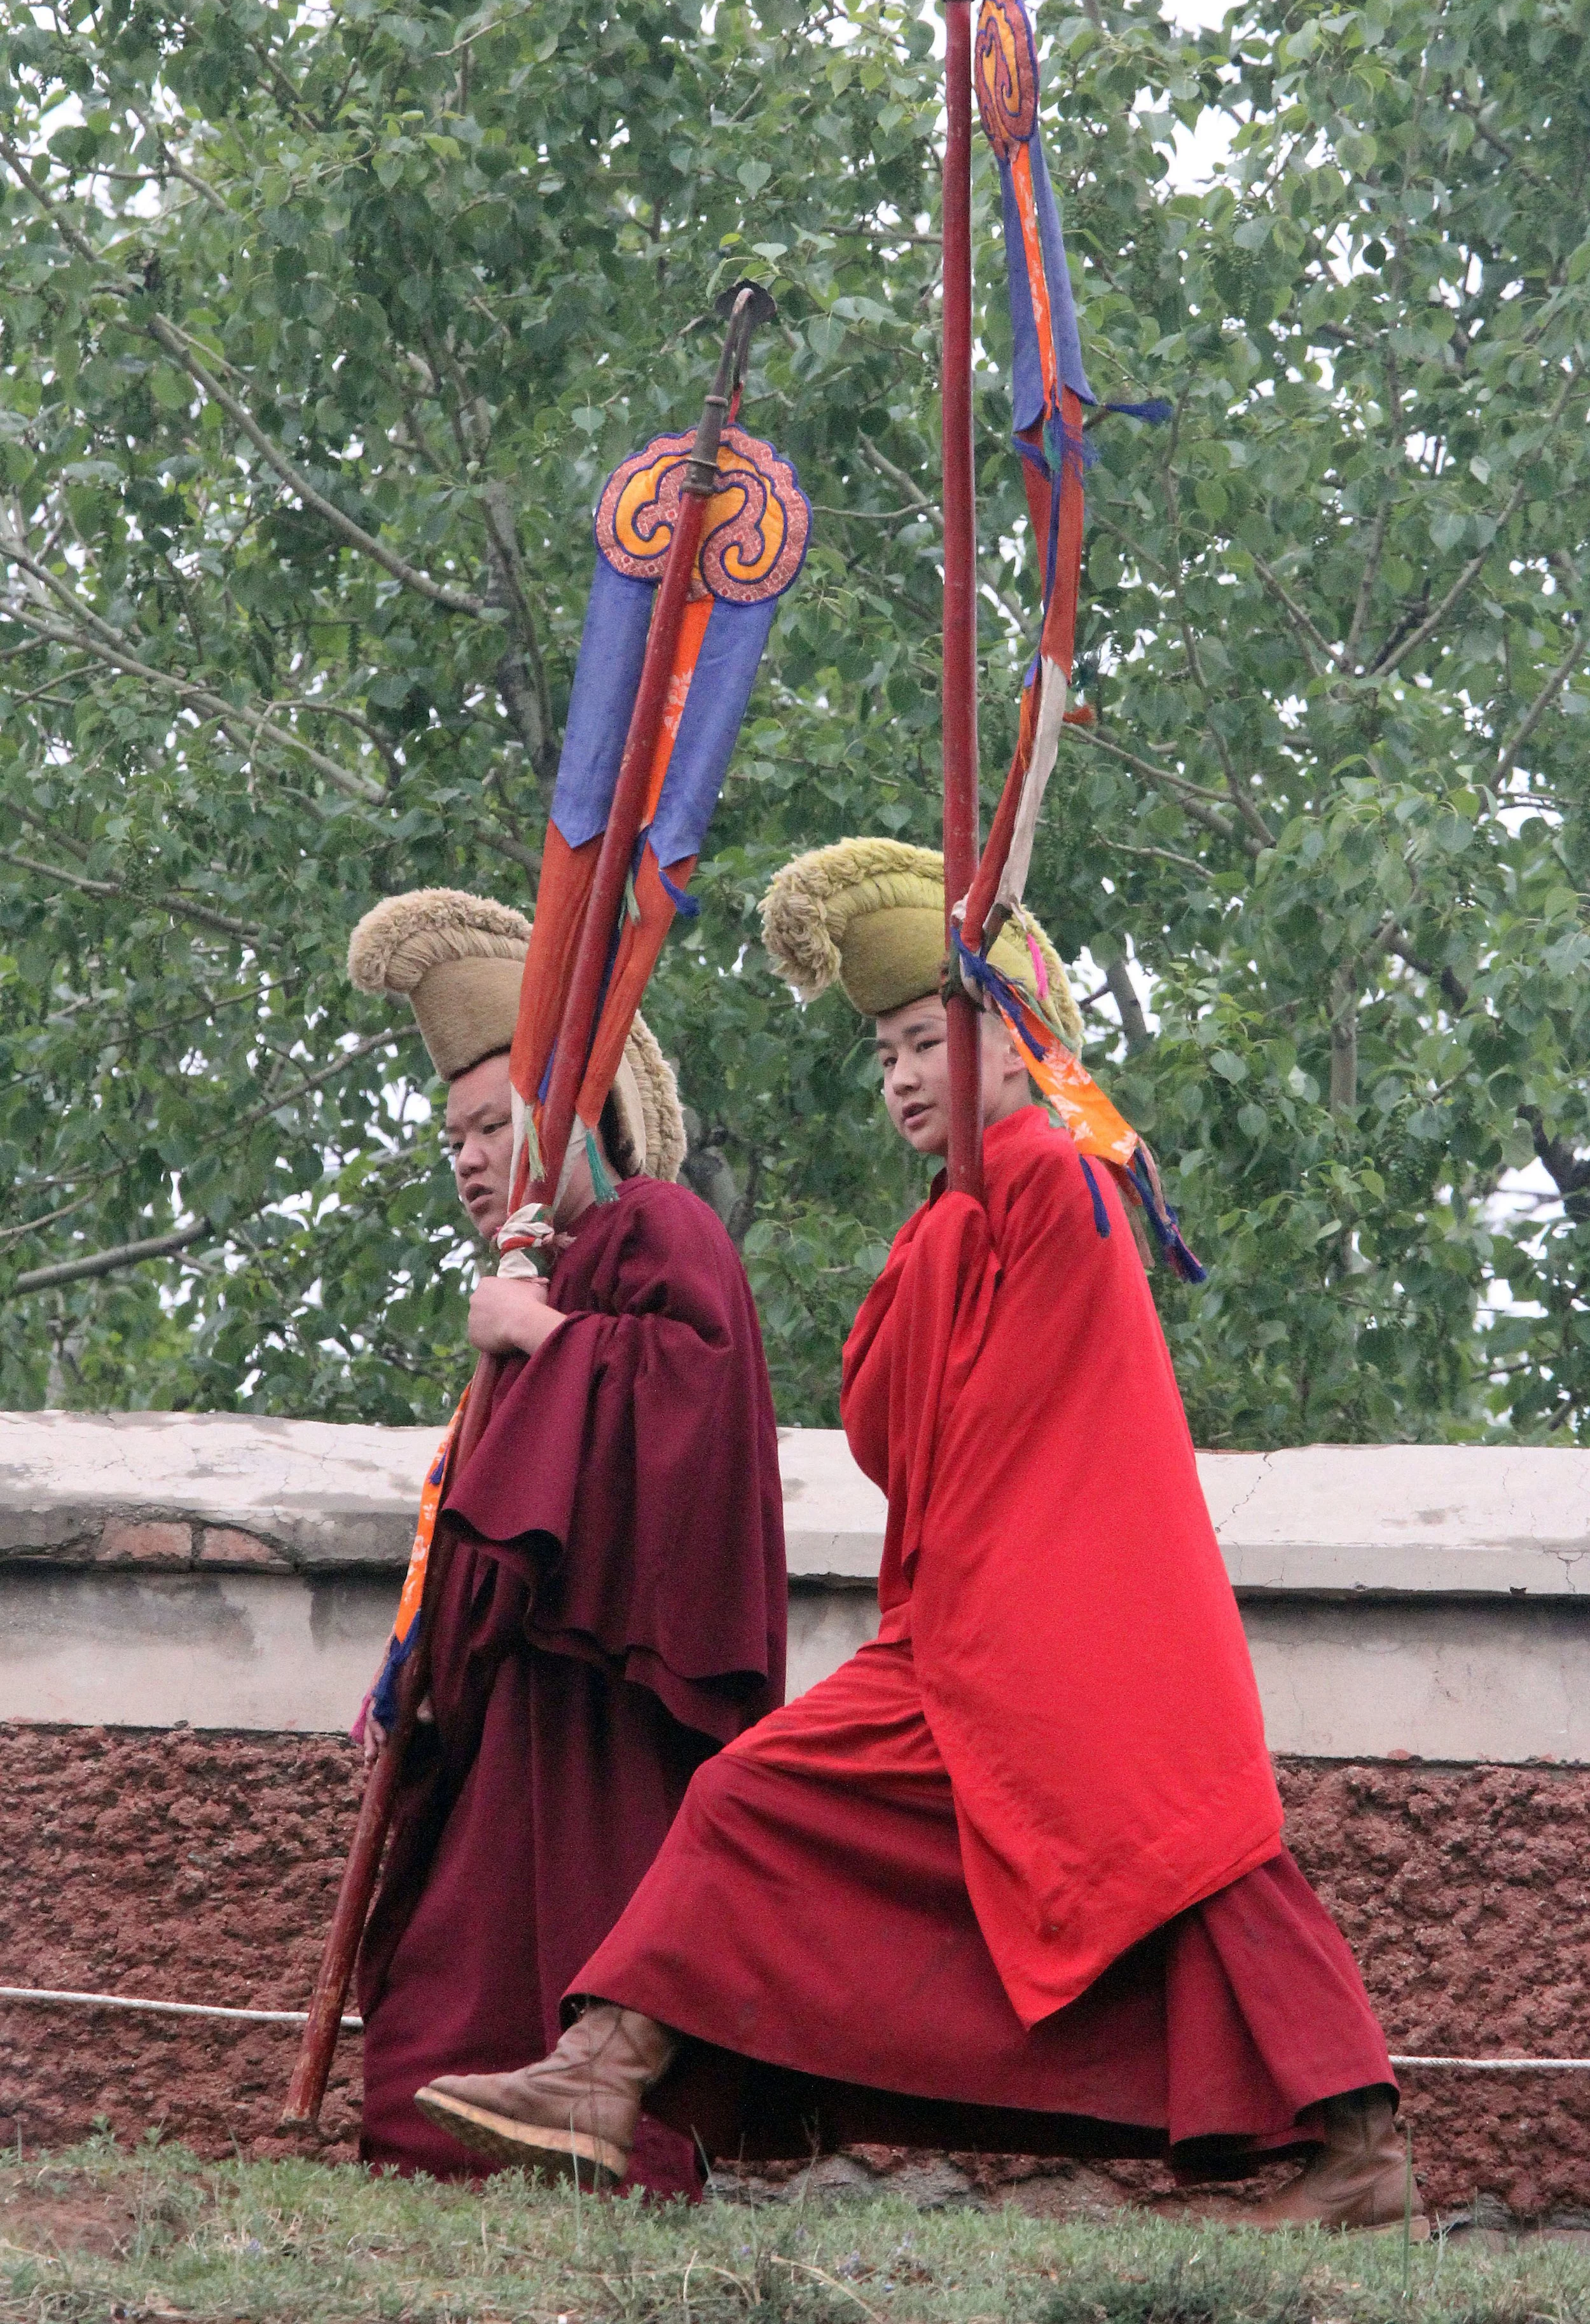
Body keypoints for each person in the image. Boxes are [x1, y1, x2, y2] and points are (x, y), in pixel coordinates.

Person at [411, 842, 1418, 2236]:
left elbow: (988, 1368)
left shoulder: (1054, 1174)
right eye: (882, 1051)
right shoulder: (968, 1209)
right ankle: (1358, 2157)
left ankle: (605, 2067)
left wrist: (984, 1180)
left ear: (1010, 1040)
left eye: (921, 1038)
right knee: (1186, 1866)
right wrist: (957, 1210)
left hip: (1061, 1625)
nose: (896, 1073)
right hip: (997, 1628)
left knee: (1194, 1859)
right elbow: (898, 1425)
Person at [344, 887, 786, 2193]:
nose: (472, 1159)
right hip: (512, 1710)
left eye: (495, 1126)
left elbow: (693, 1402)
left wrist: (543, 1338)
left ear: (572, 1119)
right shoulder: (533, 1279)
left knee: (597, 1947)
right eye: (454, 1141)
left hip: (612, 1696)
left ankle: (616, 2155)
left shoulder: (655, 1228)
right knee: (445, 1992)